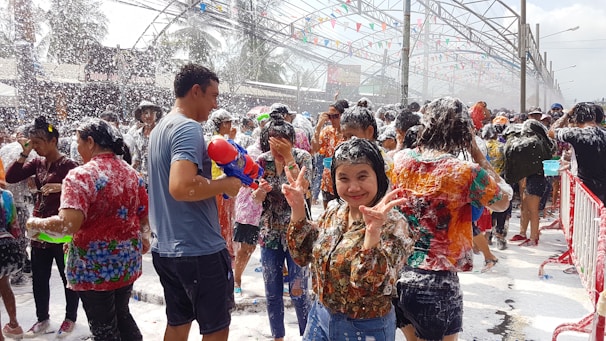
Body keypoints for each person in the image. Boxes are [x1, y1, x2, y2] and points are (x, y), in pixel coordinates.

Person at [391, 97, 511, 341]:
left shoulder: (401, 160)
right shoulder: (466, 171)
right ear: (464, 133)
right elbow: (503, 201)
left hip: (399, 274)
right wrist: (478, 155)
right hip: (439, 282)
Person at [25, 118, 149, 340]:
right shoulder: (132, 174)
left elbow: (67, 225)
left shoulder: (81, 176)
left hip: (95, 267)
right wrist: (141, 242)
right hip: (126, 263)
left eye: (78, 142)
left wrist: (35, 224)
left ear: (90, 142)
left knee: (104, 329)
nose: (77, 148)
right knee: (122, 315)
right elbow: (143, 220)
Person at [282, 138, 414, 340]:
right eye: (343, 178)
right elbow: (302, 255)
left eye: (362, 177)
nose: (353, 188)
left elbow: (368, 286)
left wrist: (371, 234)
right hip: (320, 316)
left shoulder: (393, 224)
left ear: (378, 176)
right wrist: (298, 208)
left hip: (364, 327)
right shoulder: (335, 211)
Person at [147, 64, 241, 341]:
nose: (215, 104)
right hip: (198, 249)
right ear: (196, 91)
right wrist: (226, 185)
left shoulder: (160, 128)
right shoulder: (187, 128)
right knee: (216, 328)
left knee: (178, 322)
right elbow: (181, 187)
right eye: (213, 96)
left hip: (166, 247)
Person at [5, 116, 80, 338]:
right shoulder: (37, 163)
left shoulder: (69, 166)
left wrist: (62, 186)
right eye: (32, 142)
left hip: (62, 227)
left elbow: (81, 194)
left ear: (53, 141)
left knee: (68, 278)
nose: (35, 147)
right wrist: (24, 152)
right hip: (38, 228)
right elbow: (11, 176)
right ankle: (42, 318)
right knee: (39, 276)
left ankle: (70, 318)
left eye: (38, 142)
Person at [254, 112, 312, 341]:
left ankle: (307, 335)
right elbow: (256, 198)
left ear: (291, 141)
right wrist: (260, 192)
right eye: (272, 141)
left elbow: (304, 189)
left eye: (282, 142)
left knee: (298, 291)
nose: (276, 148)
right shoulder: (262, 161)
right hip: (269, 232)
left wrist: (289, 158)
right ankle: (278, 336)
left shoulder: (303, 158)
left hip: (297, 232)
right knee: (272, 290)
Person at [549, 102, 606, 205]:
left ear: (577, 119)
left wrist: (567, 115)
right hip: (602, 191)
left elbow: (552, 132)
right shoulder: (604, 134)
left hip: (584, 192)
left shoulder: (575, 134)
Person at [311, 101, 346, 209]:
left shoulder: (349, 133)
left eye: (335, 116)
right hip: (327, 181)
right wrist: (318, 126)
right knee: (328, 218)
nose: (332, 120)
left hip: (344, 181)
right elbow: (314, 149)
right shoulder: (327, 131)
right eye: (329, 116)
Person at [0, 188, 25, 340]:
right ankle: (14, 325)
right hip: (6, 244)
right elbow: (14, 224)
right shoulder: (6, 195)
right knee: (4, 284)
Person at [131, 100, 162, 185]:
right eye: (145, 113)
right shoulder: (137, 134)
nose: (148, 116)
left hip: (159, 178)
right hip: (143, 179)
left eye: (152, 113)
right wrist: (129, 172)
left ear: (156, 115)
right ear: (141, 116)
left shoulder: (161, 132)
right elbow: (136, 158)